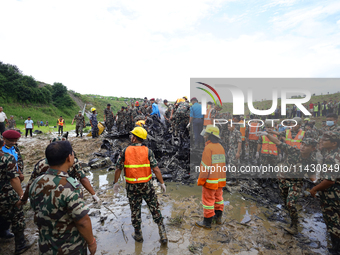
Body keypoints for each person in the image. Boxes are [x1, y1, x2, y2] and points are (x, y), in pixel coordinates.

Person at [29, 141, 97, 254]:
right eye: (72, 154)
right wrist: (91, 242)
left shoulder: (36, 182)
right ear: (69, 158)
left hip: (45, 246)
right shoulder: (70, 187)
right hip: (69, 247)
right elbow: (82, 221)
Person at [113, 127, 167, 244]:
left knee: (135, 210)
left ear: (134, 138)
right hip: (147, 186)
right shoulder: (148, 151)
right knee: (154, 207)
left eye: (132, 135)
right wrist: (162, 183)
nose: (131, 137)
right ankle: (162, 233)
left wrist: (115, 182)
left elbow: (118, 168)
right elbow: (156, 169)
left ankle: (138, 235)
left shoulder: (125, 151)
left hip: (132, 187)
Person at [264, 132, 318, 235]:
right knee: (286, 203)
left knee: (290, 203)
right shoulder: (293, 151)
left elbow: (311, 175)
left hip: (296, 183)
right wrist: (267, 134)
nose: (303, 147)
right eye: (302, 144)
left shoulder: (312, 160)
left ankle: (295, 226)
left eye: (306, 146)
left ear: (313, 149)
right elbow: (278, 142)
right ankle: (290, 216)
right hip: (283, 180)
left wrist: (319, 184)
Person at [22, 137, 100, 204]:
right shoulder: (73, 162)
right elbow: (83, 178)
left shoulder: (41, 164)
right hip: (66, 193)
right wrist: (93, 194)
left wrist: (24, 199)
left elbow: (30, 183)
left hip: (45, 197)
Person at [0, 136, 32, 254]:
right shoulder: (7, 158)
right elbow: (14, 179)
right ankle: (20, 245)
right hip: (5, 193)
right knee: (17, 217)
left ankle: (3, 232)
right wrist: (21, 195)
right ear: (3, 143)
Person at [310, 131, 340, 253]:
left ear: (334, 143)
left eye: (326, 139)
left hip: (332, 195)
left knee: (333, 223)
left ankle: (335, 249)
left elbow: (329, 180)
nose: (322, 141)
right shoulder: (335, 154)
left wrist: (314, 189)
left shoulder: (331, 158)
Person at [196, 125, 226, 229]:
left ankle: (207, 223)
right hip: (220, 180)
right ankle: (218, 219)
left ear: (210, 136)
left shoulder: (208, 148)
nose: (205, 135)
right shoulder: (220, 147)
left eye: (207, 134)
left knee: (208, 201)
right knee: (218, 198)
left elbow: (205, 167)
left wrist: (201, 180)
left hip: (210, 180)